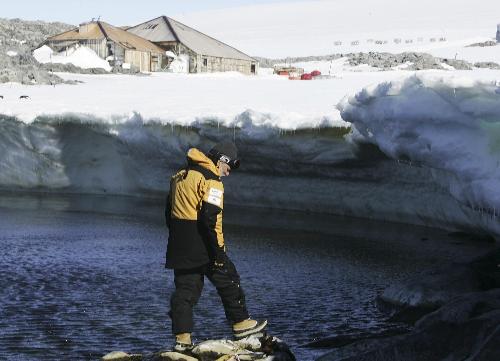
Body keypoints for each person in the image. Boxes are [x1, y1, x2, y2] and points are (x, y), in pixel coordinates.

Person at [165, 141, 267, 351]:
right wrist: (218, 253)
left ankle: (182, 339)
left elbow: (168, 212)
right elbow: (210, 219)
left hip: (179, 242)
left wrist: (178, 237)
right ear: (221, 160)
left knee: (186, 290)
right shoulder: (211, 180)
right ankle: (241, 324)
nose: (227, 174)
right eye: (228, 168)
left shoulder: (180, 175)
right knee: (228, 278)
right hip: (203, 242)